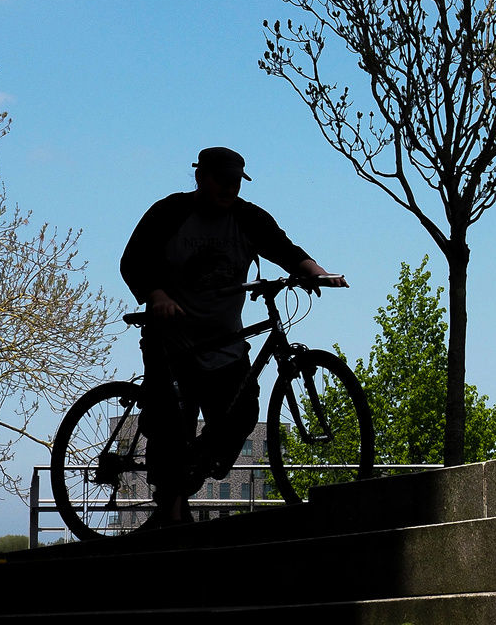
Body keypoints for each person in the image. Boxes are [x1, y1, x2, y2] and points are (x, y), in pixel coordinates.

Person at [120, 146, 345, 527]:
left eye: (236, 182)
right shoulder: (170, 213)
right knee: (172, 421)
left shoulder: (248, 217)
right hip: (172, 341)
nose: (229, 189)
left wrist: (317, 272)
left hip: (224, 342)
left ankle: (193, 468)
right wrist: (156, 295)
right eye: (221, 181)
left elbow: (284, 249)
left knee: (242, 413)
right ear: (200, 177)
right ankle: (171, 513)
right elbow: (133, 261)